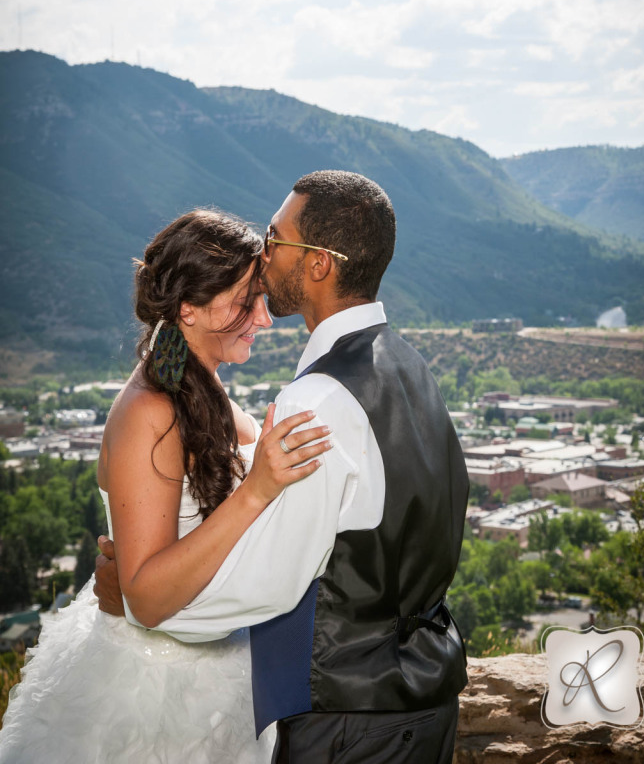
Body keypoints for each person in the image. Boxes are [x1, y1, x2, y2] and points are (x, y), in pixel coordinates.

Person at [97, 170, 470, 764]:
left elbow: (268, 580)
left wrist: (142, 606)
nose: (266, 257)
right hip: (420, 693)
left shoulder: (318, 401)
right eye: (244, 301)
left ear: (319, 263)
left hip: (351, 716)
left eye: (275, 239)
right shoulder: (408, 367)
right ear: (188, 308)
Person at [0, 209, 332, 764]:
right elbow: (148, 597)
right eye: (244, 302)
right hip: (151, 697)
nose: (264, 318)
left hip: (223, 678)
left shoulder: (201, 392)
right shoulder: (149, 413)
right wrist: (257, 489)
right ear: (188, 308)